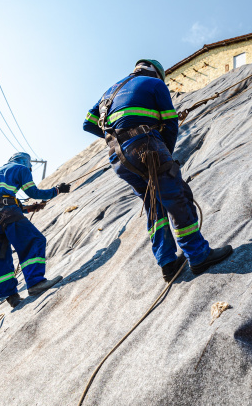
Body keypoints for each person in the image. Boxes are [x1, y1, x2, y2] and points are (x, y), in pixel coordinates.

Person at [83, 59, 232, 282]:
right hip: (147, 148)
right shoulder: (155, 85)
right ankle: (198, 255)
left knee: (153, 205)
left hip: (118, 157)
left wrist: (118, 135)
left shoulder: (110, 92)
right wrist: (165, 154)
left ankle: (168, 263)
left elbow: (88, 123)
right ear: (157, 74)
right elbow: (171, 124)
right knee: (176, 196)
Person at [0, 152, 69, 307]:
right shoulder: (21, 168)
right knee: (34, 240)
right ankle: (35, 283)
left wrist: (28, 208)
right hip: (6, 213)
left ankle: (10, 296)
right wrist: (57, 190)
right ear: (27, 162)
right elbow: (34, 192)